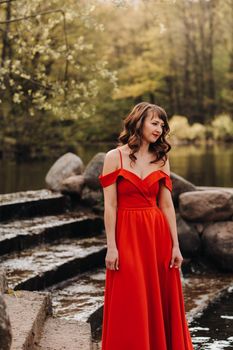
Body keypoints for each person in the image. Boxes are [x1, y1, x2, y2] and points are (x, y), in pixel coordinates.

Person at [98, 102, 194, 350]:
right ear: (138, 122)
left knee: (158, 297)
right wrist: (111, 247)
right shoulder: (113, 157)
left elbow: (167, 206)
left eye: (162, 125)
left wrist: (176, 246)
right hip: (127, 234)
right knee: (129, 297)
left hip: (156, 235)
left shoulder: (161, 158)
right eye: (154, 122)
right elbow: (110, 206)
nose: (159, 129)